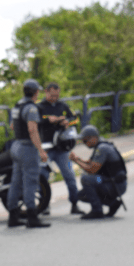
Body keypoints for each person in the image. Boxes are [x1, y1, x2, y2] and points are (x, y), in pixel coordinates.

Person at [7, 79, 50, 228]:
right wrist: (41, 150)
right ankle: (32, 217)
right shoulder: (31, 108)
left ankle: (13, 216)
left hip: (16, 145)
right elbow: (32, 130)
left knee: (16, 182)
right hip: (27, 148)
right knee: (31, 182)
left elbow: (13, 126)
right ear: (36, 92)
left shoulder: (18, 105)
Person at [37, 82, 83, 215]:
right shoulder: (39, 107)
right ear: (46, 92)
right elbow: (35, 122)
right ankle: (44, 205)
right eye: (52, 95)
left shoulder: (62, 105)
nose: (55, 98)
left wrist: (67, 121)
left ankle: (74, 203)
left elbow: (75, 119)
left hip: (62, 147)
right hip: (46, 147)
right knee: (43, 176)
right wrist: (48, 120)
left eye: (57, 95)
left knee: (69, 175)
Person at [69, 125, 127, 220]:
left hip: (113, 183)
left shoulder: (102, 148)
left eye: (85, 140)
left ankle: (97, 210)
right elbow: (91, 163)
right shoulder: (100, 146)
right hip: (108, 180)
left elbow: (92, 170)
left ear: (94, 138)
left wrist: (76, 162)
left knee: (86, 179)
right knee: (81, 195)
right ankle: (113, 203)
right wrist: (78, 159)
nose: (84, 143)